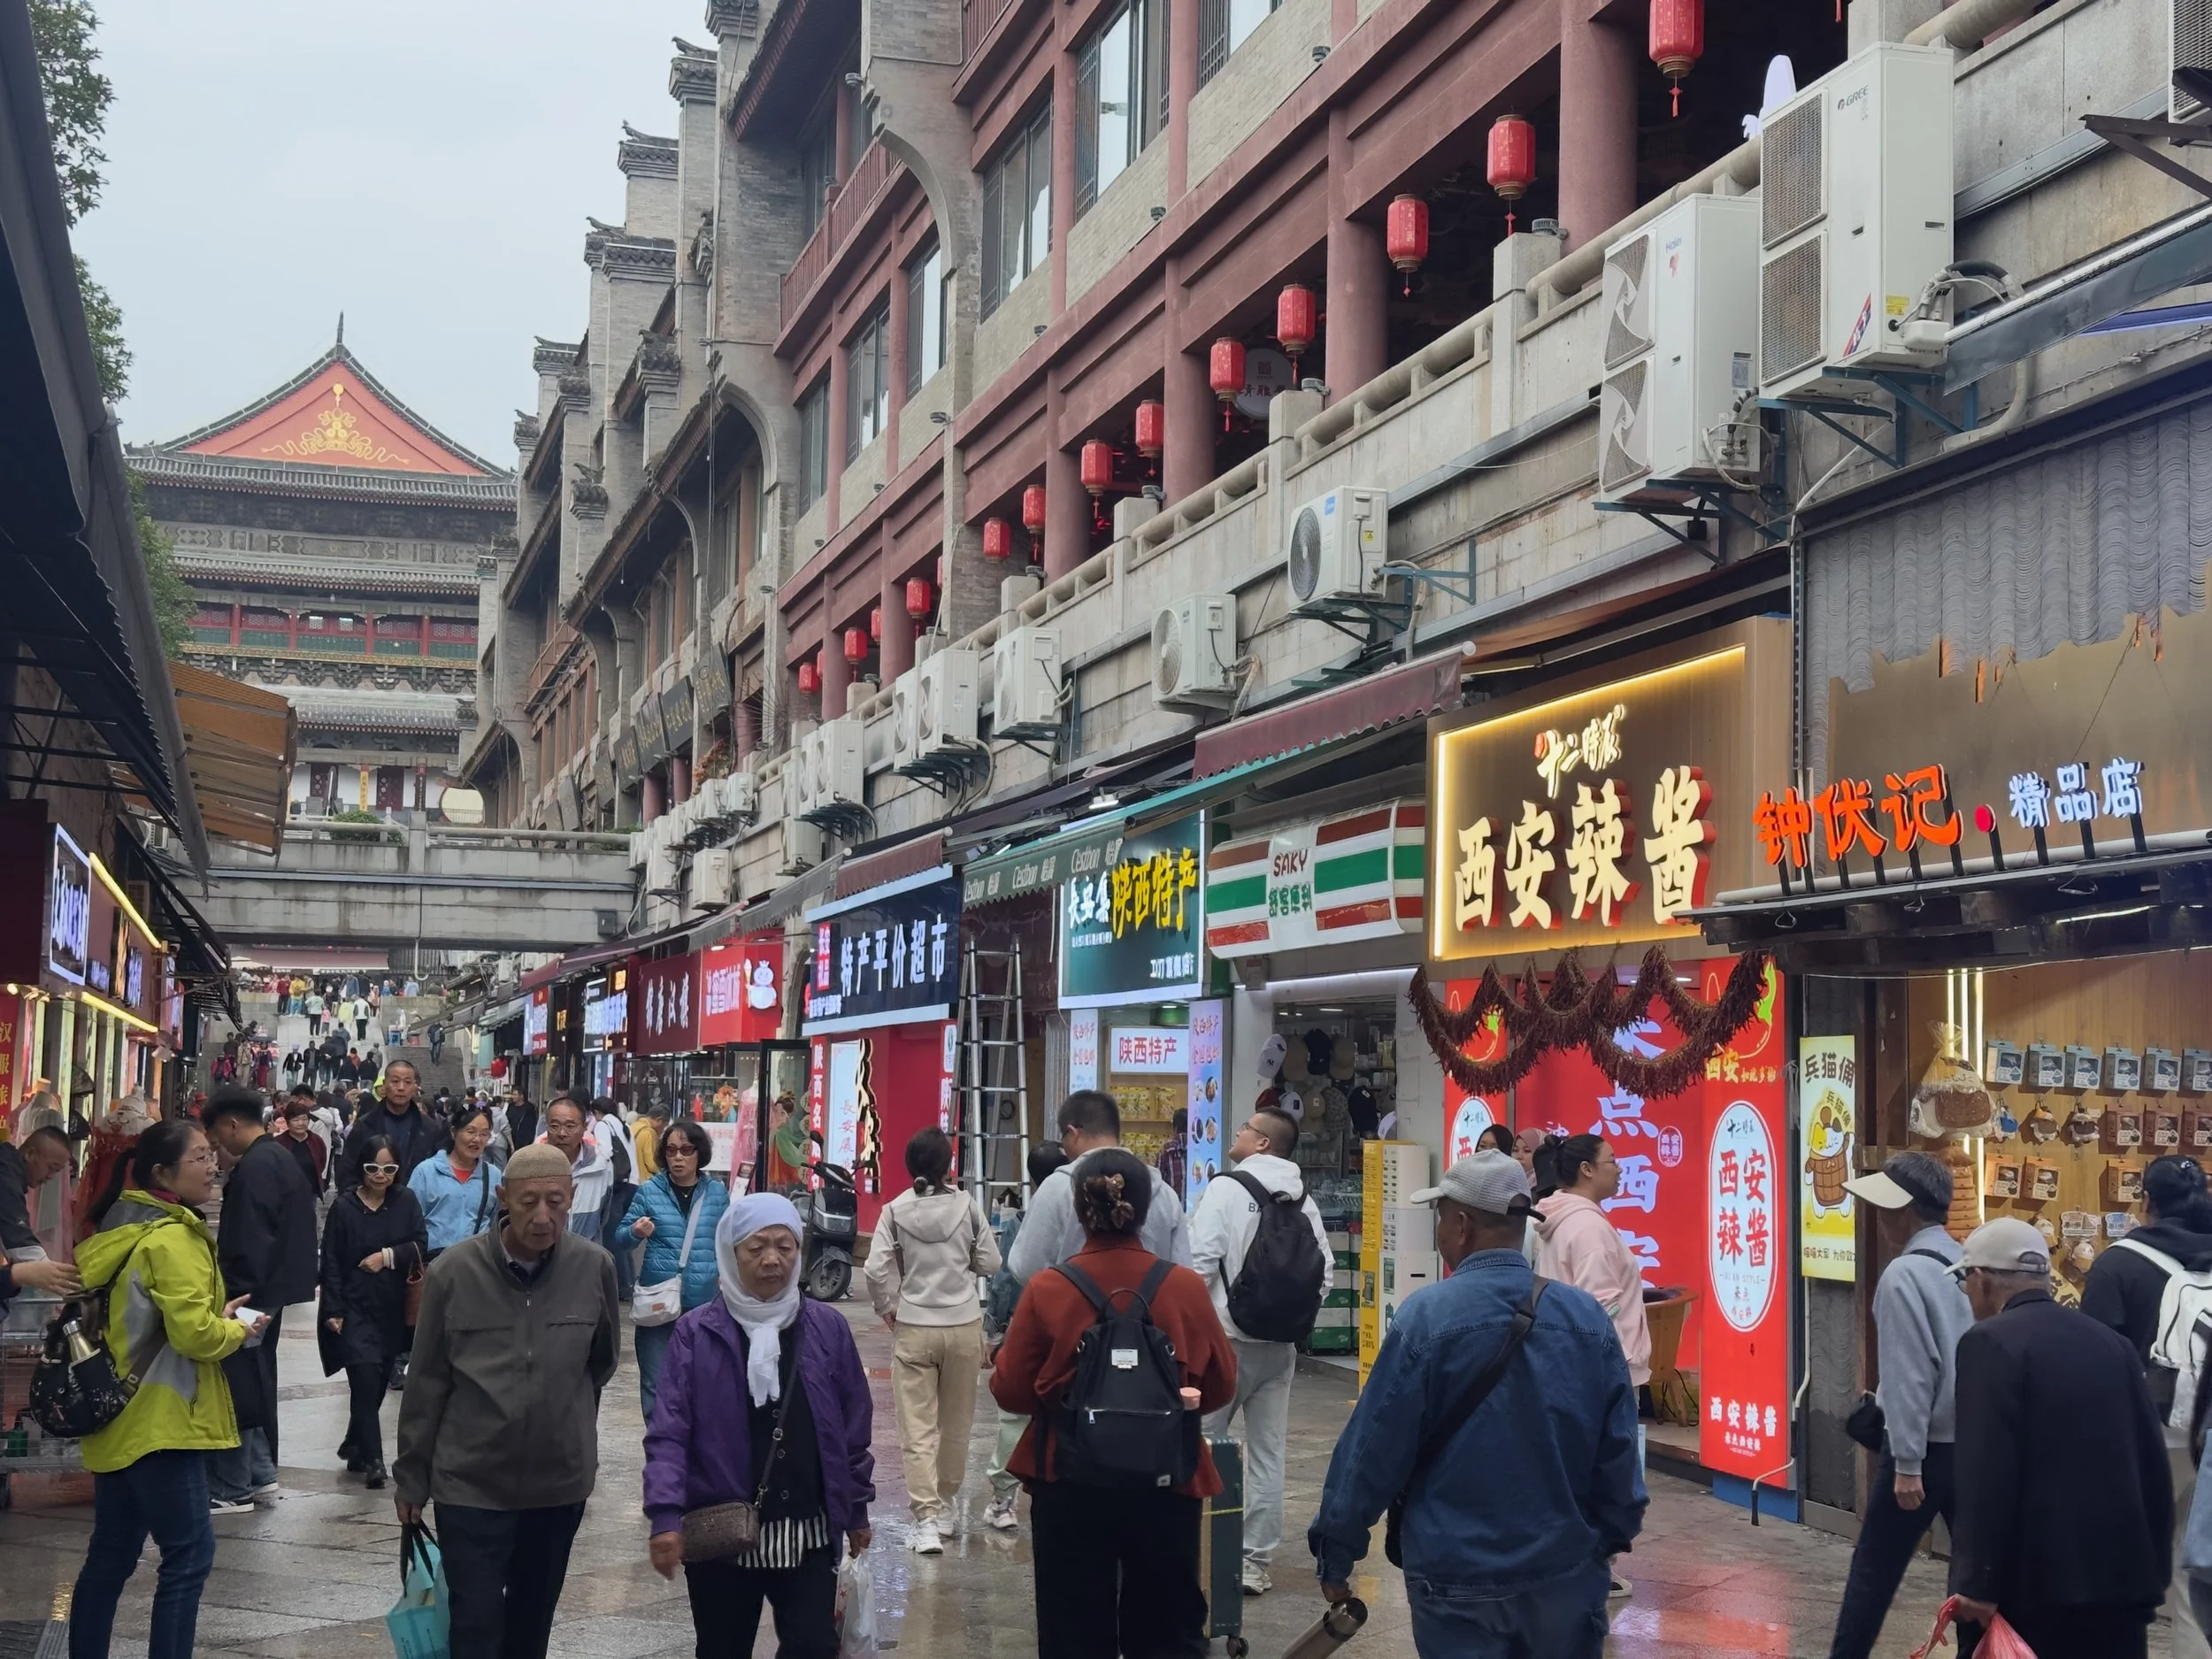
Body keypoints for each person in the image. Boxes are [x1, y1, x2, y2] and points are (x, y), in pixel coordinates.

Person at [1310, 1149, 1645, 1657]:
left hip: (1457, 1575)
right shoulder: (1584, 1317)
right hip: (1565, 1575)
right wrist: (1609, 1538)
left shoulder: (1426, 1318)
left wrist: (1337, 1555)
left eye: (1441, 1217)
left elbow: (1372, 1450)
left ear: (1461, 1225)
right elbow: (1618, 1448)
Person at [991, 1147, 1236, 1657]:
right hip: (1168, 1477)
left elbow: (1011, 1390)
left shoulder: (1048, 1288)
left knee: (1072, 1625)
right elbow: (1222, 1384)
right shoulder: (1184, 1287)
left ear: (1079, 1211)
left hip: (1068, 1476)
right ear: (1148, 1210)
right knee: (1166, 1625)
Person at [395, 1143, 619, 1659]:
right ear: (503, 1198)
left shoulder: (594, 1267)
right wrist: (412, 1476)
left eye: (556, 1202)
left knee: (530, 1626)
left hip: (556, 1487)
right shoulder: (453, 1272)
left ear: (571, 1199)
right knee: (474, 1626)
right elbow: (426, 1379)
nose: (543, 1217)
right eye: (529, 1202)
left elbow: (601, 1363)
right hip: (470, 1484)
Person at [642, 1194, 874, 1657]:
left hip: (808, 1531)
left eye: (784, 1247)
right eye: (756, 1248)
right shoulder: (696, 1332)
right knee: (722, 1648)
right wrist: (665, 1515)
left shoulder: (827, 1328)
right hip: (723, 1537)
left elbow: (852, 1426)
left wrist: (857, 1508)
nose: (772, 1260)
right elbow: (670, 1431)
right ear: (731, 1253)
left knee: (812, 1647)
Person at [68, 1118, 266, 1659]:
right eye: (199, 1158)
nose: (213, 1165)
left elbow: (155, 1318)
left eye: (211, 1154)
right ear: (162, 1173)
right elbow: (196, 1336)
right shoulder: (173, 1236)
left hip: (117, 1413)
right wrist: (239, 1328)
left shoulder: (116, 1229)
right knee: (189, 1556)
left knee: (110, 1555)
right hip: (165, 1420)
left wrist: (210, 1317)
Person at [1949, 1216, 2170, 1656]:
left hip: (2035, 1587)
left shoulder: (1989, 1342)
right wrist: (2154, 1568)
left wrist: (1977, 1580)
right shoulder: (2112, 1343)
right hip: (2120, 1582)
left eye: (1963, 1280)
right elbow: (2150, 1460)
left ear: (1981, 1279)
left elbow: (1985, 1469)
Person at [1824, 1152, 1973, 1659]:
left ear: (1904, 1211)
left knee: (1875, 1572)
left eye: (1884, 1210)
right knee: (1972, 1580)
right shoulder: (1967, 1268)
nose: (1879, 1221)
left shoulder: (1904, 1276)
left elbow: (1911, 1375)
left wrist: (1907, 1463)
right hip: (1972, 1449)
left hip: (1921, 1447)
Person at [1188, 1108, 1329, 1595]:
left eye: (1247, 1127)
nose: (1240, 1132)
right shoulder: (1304, 1198)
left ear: (1264, 1143)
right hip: (1280, 1349)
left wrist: (1196, 1329)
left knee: (1202, 1444)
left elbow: (1199, 1265)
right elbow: (1324, 1275)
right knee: (1268, 1454)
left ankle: (1197, 1548)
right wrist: (1287, 1319)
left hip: (1223, 1344)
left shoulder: (1227, 1189)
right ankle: (1252, 1563)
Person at [2085, 1155, 2212, 1659]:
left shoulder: (2118, 1263)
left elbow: (2095, 1363)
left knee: (2121, 1577)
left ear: (2147, 1201)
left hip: (2146, 1439)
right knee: (2196, 1576)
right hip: (2207, 1438)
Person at [864, 1126, 1002, 1553]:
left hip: (914, 1327)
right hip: (963, 1326)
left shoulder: (894, 1211)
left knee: (917, 1428)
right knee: (957, 1426)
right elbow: (992, 1263)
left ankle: (925, 1521)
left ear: (910, 1167)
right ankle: (945, 1508)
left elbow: (873, 1270)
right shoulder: (968, 1206)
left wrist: (886, 1304)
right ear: (949, 1164)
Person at [200, 1087, 318, 1513]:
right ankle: (260, 1474)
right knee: (254, 1377)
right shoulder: (277, 1158)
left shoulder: (256, 1167)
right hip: (272, 1289)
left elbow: (249, 1240)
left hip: (251, 1292)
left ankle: (233, 1486)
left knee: (237, 1382)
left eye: (215, 1139)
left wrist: (232, 1297)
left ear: (232, 1124)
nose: (217, 1150)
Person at [318, 1133, 427, 1490]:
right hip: (353, 1307)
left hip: (391, 1307)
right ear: (361, 1168)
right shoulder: (345, 1207)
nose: (381, 1175)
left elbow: (420, 1245)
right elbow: (331, 1258)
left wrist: (388, 1257)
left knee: (378, 1381)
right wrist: (332, 1308)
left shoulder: (406, 1202)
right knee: (364, 1381)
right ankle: (376, 1460)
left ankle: (355, 1443)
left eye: (389, 1168)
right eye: (373, 1168)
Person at [1006, 1090, 1190, 1286]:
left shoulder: (1057, 1188)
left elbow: (1025, 1268)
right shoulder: (1164, 1192)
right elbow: (1183, 1266)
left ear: (1073, 1133)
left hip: (1072, 1313)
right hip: (1150, 1313)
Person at [980, 1142, 1071, 1533]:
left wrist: (994, 1330)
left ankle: (1004, 1501)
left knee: (1014, 1415)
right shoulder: (1084, 1213)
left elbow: (1004, 1281)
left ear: (1032, 1179)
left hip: (1028, 1326)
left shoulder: (1022, 1222)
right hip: (1075, 1330)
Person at [616, 1118, 730, 1421]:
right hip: (658, 1301)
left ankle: (697, 1450)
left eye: (686, 1150)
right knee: (655, 1382)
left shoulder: (716, 1194)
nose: (678, 1157)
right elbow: (620, 1238)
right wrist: (635, 1233)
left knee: (704, 1382)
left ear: (699, 1153)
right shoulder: (649, 1192)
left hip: (704, 1304)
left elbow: (730, 1242)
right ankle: (661, 1450)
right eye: (671, 1150)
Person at [406, 1102, 499, 1259]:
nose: (477, 1139)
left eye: (484, 1134)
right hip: (433, 1261)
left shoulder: (493, 1175)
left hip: (477, 1262)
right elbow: (409, 1221)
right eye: (470, 1131)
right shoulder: (426, 1172)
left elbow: (495, 1222)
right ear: (454, 1133)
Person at [338, 1059, 436, 1192]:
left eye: (407, 1082)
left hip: (415, 1206)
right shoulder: (365, 1125)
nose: (401, 1087)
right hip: (371, 1204)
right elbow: (348, 1172)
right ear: (384, 1085)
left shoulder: (429, 1128)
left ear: (415, 1087)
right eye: (395, 1081)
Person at [541, 1096, 612, 1243]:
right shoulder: (530, 1164)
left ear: (585, 1127)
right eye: (554, 1126)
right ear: (546, 1126)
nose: (562, 1133)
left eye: (570, 1126)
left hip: (585, 1258)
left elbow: (603, 1216)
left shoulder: (602, 1165)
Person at [0, 1121, 72, 1260]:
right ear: (30, 1153)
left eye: (57, 1171)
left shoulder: (9, 1167)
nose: (51, 1176)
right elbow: (20, 1243)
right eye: (51, 1168)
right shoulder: (6, 1176)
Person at [591, 1097, 639, 1294]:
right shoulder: (623, 1124)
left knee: (611, 1235)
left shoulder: (603, 1125)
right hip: (632, 1183)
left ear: (597, 1112)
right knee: (620, 1234)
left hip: (616, 1184)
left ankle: (620, 1285)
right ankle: (627, 1282)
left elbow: (605, 1152)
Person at [277, 1099, 328, 1198]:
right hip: (284, 1194)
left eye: (304, 1119)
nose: (301, 1123)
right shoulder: (278, 1142)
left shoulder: (316, 1141)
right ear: (287, 1122)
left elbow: (321, 1162)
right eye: (295, 1120)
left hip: (310, 1193)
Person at [765, 1092, 809, 1191]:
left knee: (781, 1172)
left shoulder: (784, 1129)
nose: (778, 1115)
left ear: (788, 1115)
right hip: (776, 1150)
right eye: (776, 1111)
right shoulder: (776, 1127)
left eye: (782, 1113)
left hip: (781, 1152)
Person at [1156, 1107, 1188, 1198]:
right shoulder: (1200, 1148)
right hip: (1197, 1210)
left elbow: (1157, 1186)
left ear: (1175, 1129)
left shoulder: (1165, 1151)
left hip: (1172, 1210)